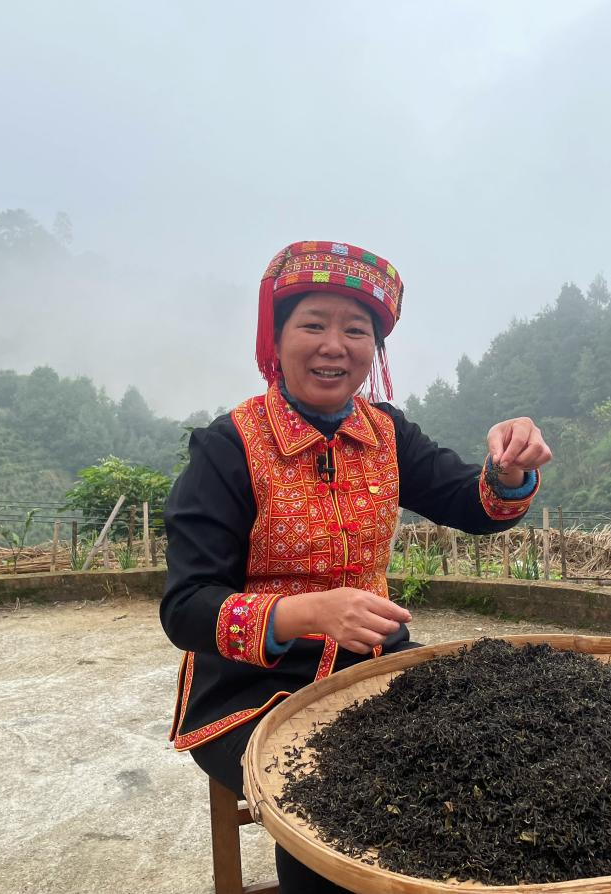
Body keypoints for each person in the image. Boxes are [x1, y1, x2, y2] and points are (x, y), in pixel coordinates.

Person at [161, 241, 552, 893]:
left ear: (375, 350)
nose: (333, 345)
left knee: (497, 739)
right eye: (312, 324)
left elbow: (473, 501)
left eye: (356, 330)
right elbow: (186, 607)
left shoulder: (386, 434)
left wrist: (510, 468)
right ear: (276, 338)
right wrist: (306, 612)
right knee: (336, 794)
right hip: (249, 690)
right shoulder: (228, 447)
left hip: (372, 665)